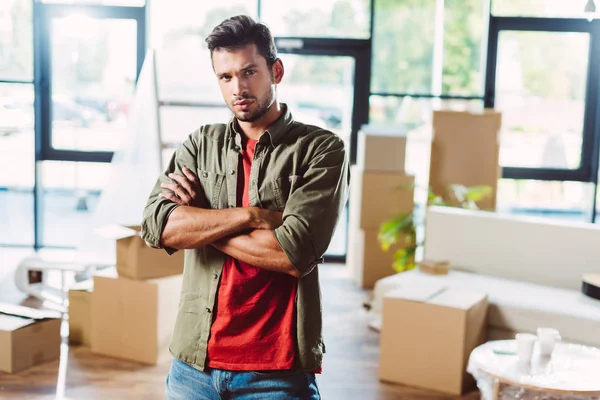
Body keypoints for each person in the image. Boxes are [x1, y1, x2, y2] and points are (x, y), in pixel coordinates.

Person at [141, 15, 349, 400]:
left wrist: (202, 221)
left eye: (249, 72)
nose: (238, 87)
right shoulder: (200, 144)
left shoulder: (320, 149)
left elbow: (294, 253)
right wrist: (249, 216)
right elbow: (158, 227)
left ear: (276, 70)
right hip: (192, 368)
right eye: (225, 77)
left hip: (276, 374)